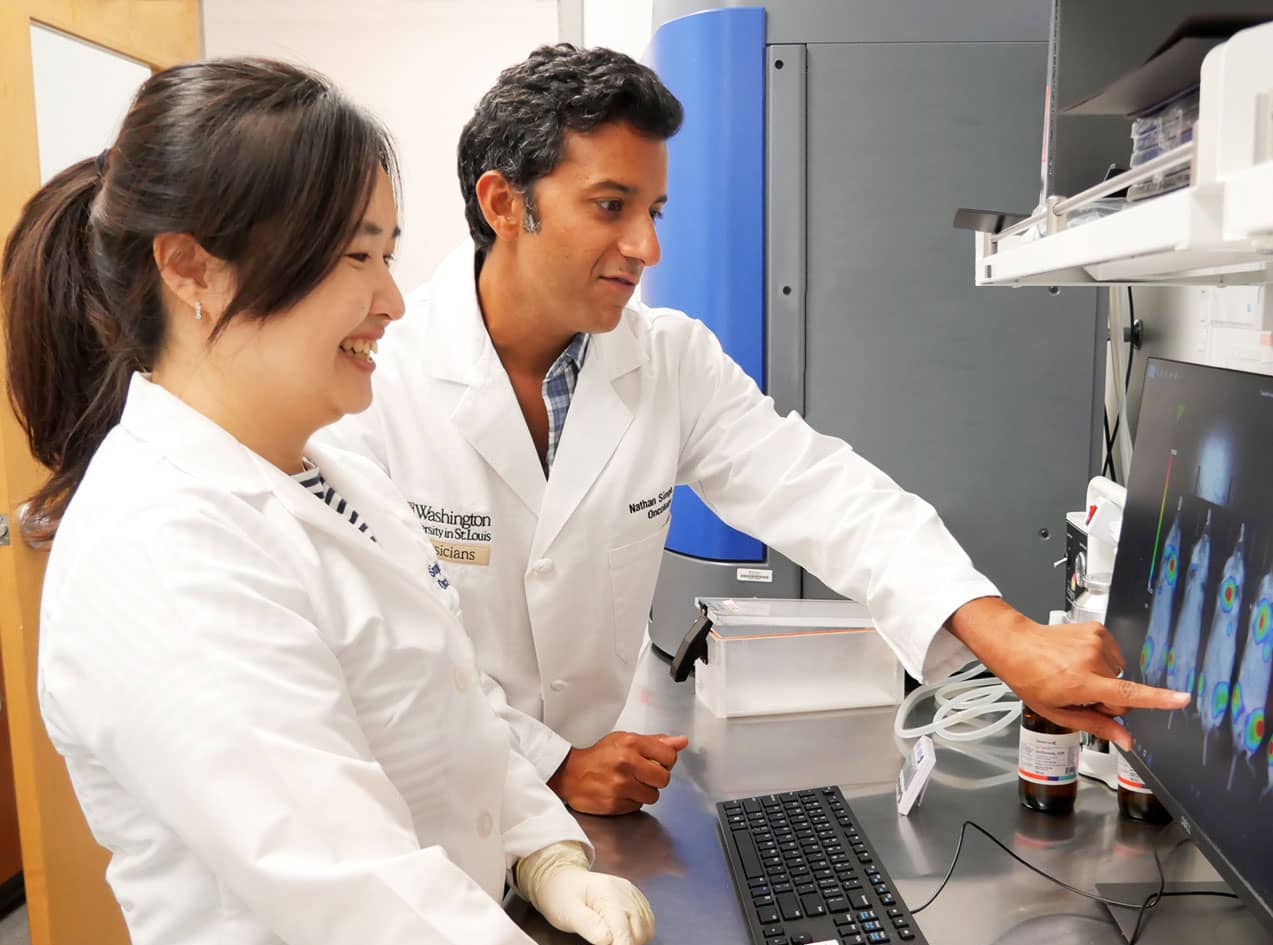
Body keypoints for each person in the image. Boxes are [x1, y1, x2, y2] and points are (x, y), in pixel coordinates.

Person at [324, 44, 1190, 816]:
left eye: (654, 211)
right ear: (504, 203)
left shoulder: (666, 362)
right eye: (610, 205)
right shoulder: (372, 377)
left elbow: (821, 491)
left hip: (589, 813)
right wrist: (547, 767)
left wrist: (1007, 635)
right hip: (429, 814)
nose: (645, 247)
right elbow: (386, 654)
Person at [2, 58, 655, 945]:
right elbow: (356, 891)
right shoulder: (158, 545)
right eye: (355, 256)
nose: (391, 299)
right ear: (189, 267)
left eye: (388, 253)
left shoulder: (331, 467)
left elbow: (454, 705)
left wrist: (546, 853)